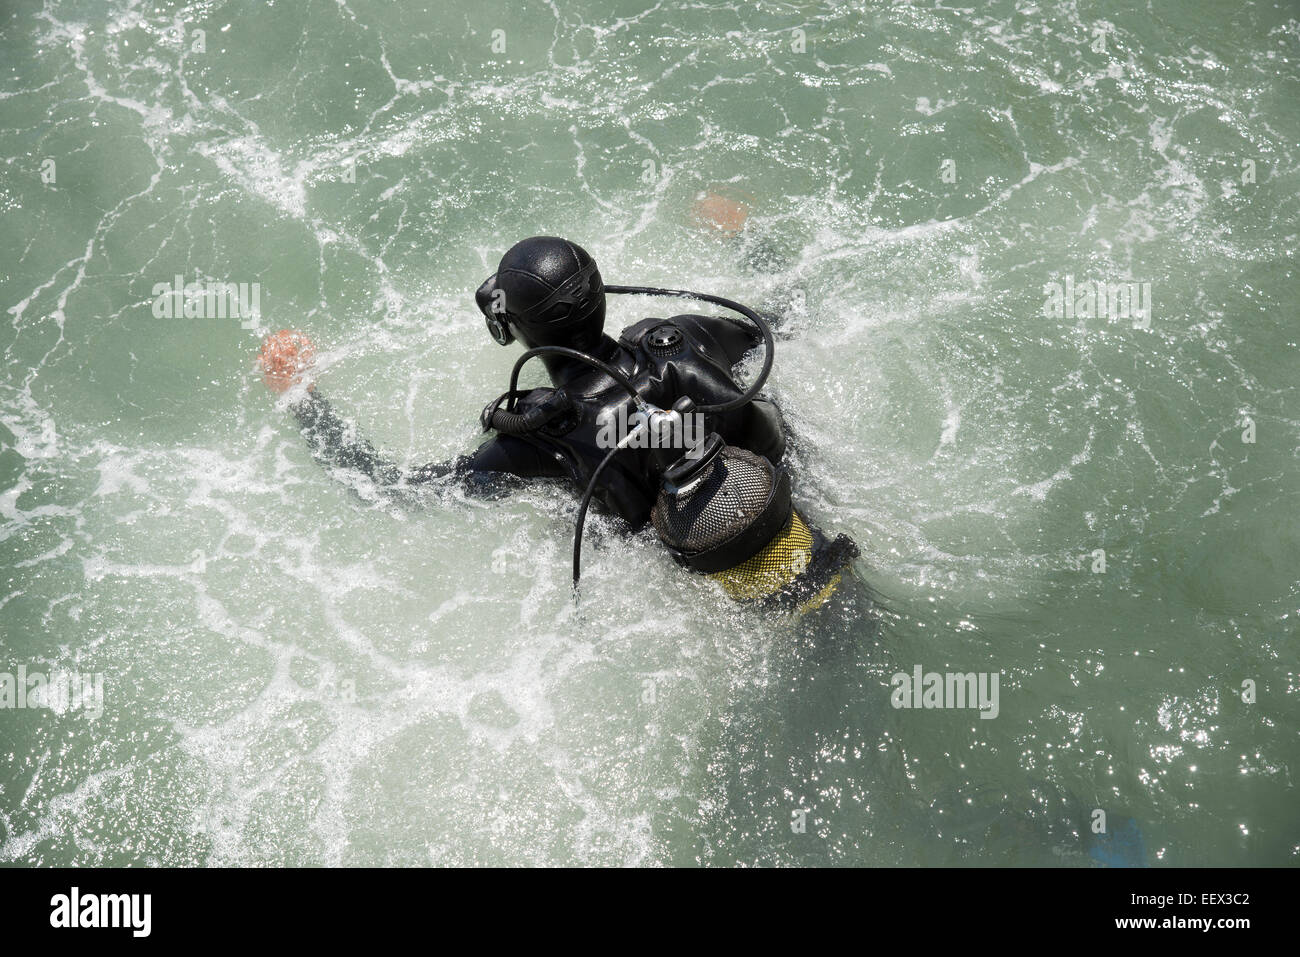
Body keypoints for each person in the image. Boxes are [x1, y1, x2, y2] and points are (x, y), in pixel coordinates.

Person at [258, 233, 858, 609]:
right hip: (805, 533)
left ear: (513, 329)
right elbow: (775, 323)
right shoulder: (682, 340)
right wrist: (747, 237)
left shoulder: (541, 438)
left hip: (711, 596)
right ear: (602, 293)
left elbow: (392, 490)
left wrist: (304, 399)